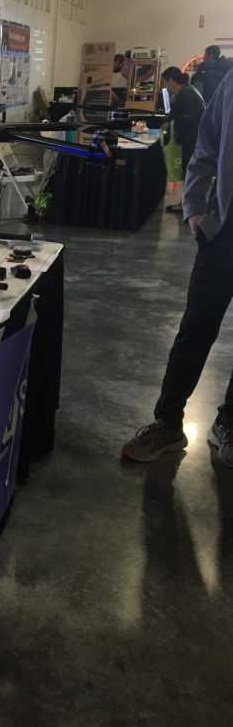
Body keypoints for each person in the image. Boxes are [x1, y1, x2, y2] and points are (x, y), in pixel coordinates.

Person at [122, 68, 233, 466]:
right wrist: (195, 210)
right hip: (224, 231)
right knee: (195, 329)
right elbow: (207, 145)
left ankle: (230, 423)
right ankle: (168, 424)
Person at [160, 67, 205, 214]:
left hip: (192, 139)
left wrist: (170, 123)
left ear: (171, 81)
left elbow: (189, 118)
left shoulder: (185, 94)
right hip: (196, 139)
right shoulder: (189, 90)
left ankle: (188, 205)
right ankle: (188, 204)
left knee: (189, 172)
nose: (165, 87)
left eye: (165, 83)